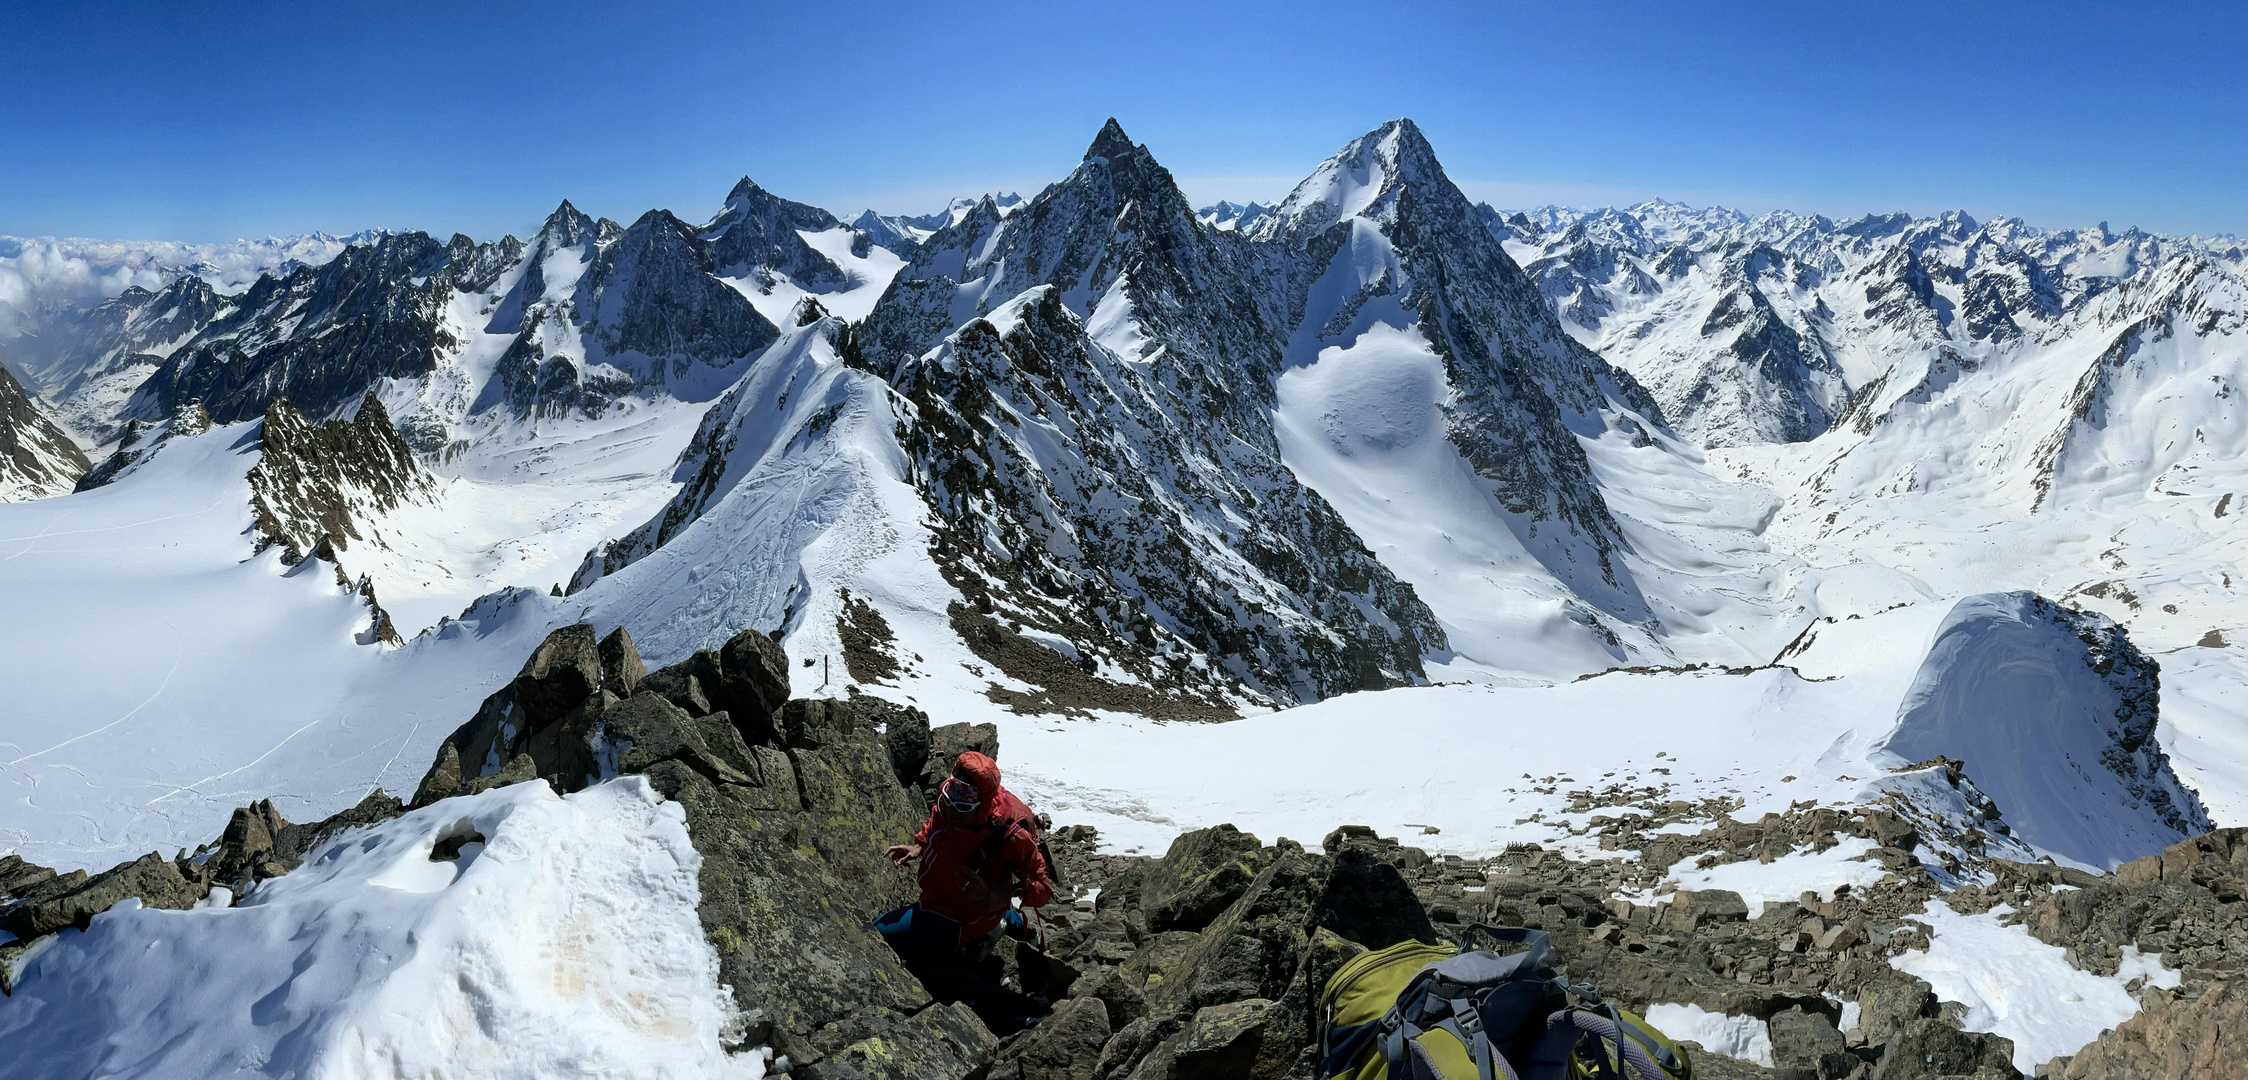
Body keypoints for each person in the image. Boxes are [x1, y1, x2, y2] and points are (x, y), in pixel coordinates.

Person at [876, 750, 1055, 1032]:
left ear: (982, 804)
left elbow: (1043, 886)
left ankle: (1014, 1009)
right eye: (948, 798)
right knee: (885, 939)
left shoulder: (1010, 836)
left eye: (962, 806)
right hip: (937, 900)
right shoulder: (951, 801)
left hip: (963, 919)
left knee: (882, 941)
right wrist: (919, 845)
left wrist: (1004, 897)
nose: (951, 810)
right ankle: (1006, 925)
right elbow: (937, 819)